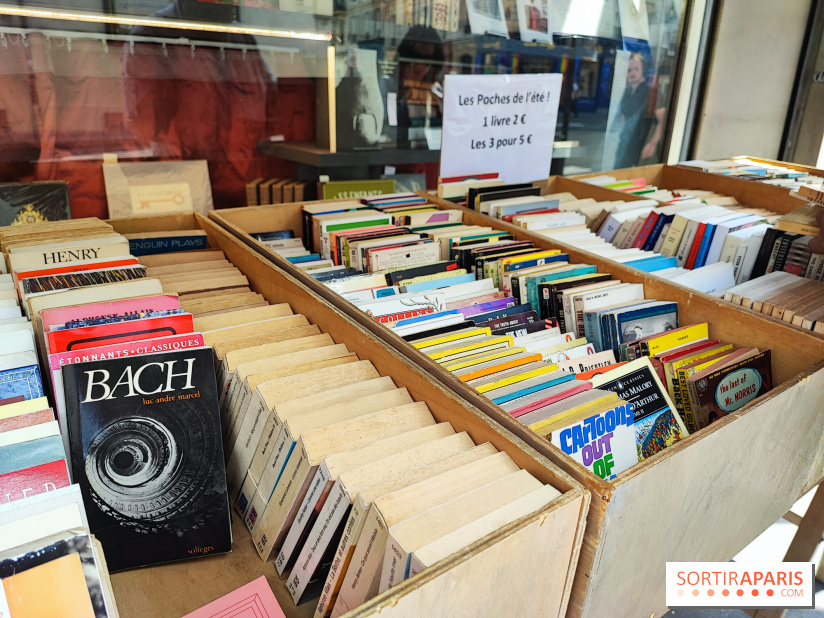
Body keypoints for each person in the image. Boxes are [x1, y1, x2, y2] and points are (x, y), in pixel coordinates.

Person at [614, 52, 664, 169]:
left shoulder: (651, 93)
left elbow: (662, 120)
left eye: (636, 69)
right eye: (629, 70)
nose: (632, 73)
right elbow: (624, 119)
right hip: (626, 144)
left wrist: (652, 144)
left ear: (643, 71)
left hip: (643, 143)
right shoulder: (626, 93)